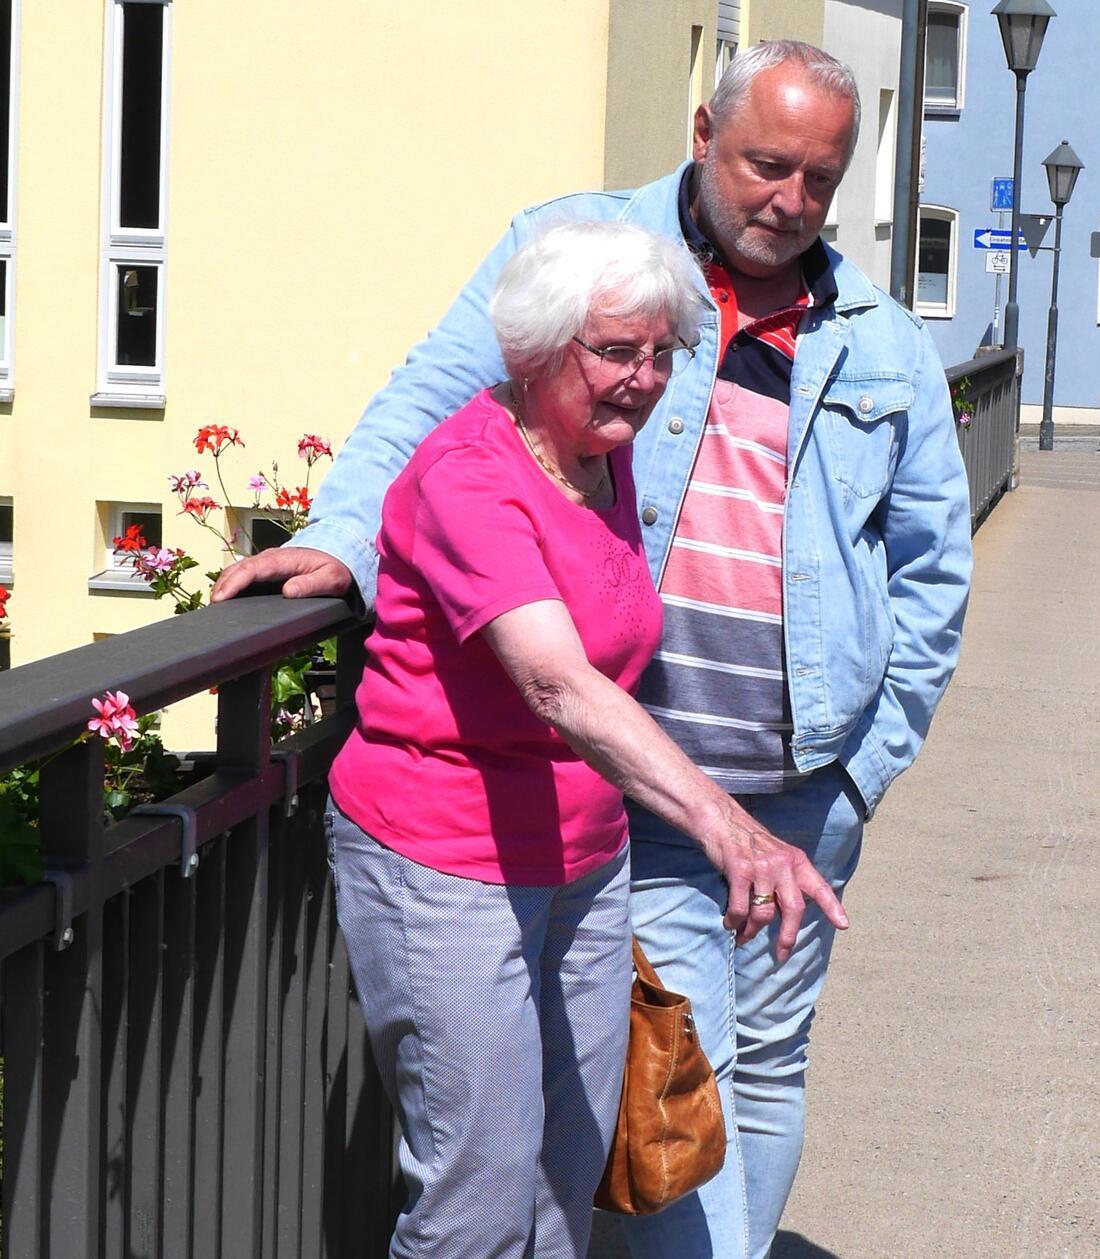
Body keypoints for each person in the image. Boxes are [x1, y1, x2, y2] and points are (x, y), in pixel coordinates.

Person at [213, 40, 973, 1259]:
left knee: (753, 1072)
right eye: (764, 165)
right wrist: (346, 538)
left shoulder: (874, 334)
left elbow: (933, 568)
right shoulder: (583, 266)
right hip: (639, 781)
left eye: (817, 180)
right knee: (668, 1083)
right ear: (700, 133)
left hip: (802, 782)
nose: (787, 200)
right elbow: (436, 404)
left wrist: (863, 767)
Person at [325, 220, 842, 1257]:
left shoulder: (602, 458)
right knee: (472, 1196)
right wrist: (728, 827)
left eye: (660, 353)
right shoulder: (471, 473)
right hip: (447, 862)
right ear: (533, 349)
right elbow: (555, 679)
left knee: (567, 1180)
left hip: (583, 859)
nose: (643, 380)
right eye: (614, 351)